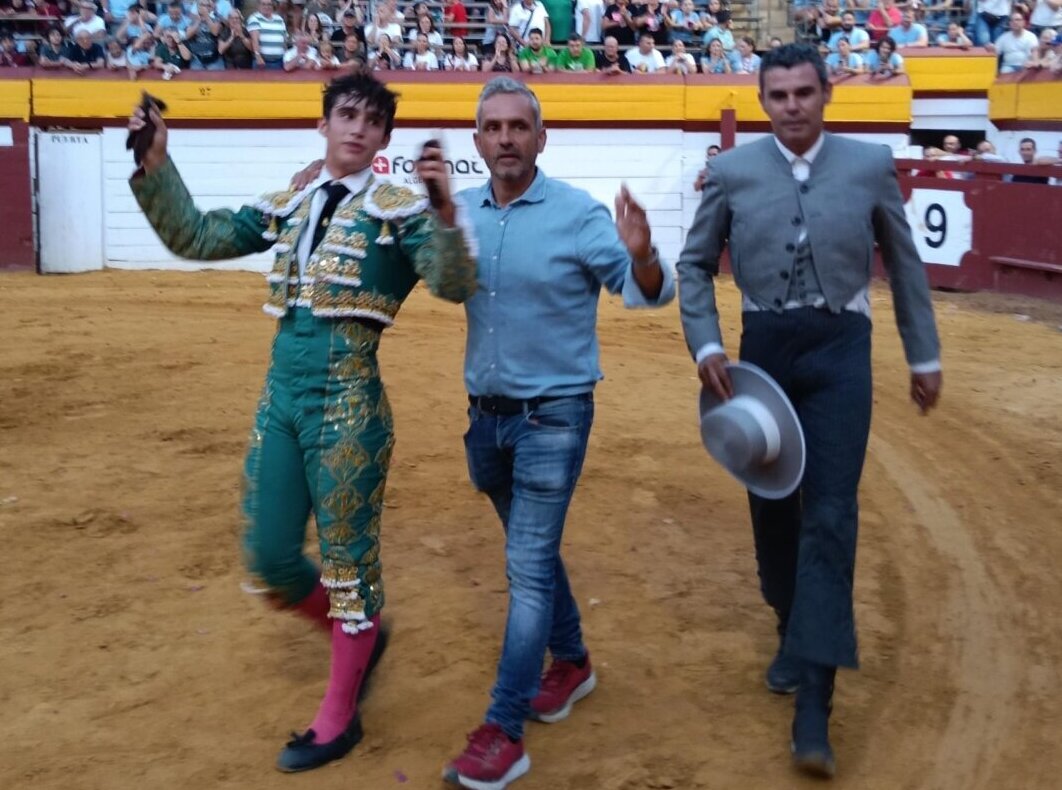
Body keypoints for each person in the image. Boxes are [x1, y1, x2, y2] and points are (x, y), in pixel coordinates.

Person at [126, 72, 478, 774]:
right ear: (324, 124)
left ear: (382, 139)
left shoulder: (398, 208)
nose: (357, 128)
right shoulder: (290, 200)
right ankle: (364, 637)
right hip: (281, 398)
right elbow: (199, 237)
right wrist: (155, 164)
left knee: (349, 567)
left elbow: (451, 283)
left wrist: (442, 211)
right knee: (271, 563)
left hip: (349, 401)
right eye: (346, 114)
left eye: (372, 121)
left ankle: (337, 716)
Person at [677, 43, 942, 780]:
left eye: (803, 93)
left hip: (839, 350)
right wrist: (705, 343)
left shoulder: (868, 163)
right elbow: (695, 265)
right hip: (762, 353)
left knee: (830, 514)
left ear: (825, 94)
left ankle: (814, 707)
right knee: (771, 508)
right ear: (764, 102)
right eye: (778, 95)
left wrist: (923, 354)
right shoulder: (732, 172)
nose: (791, 106)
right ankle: (792, 627)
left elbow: (906, 261)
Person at [441, 76, 674, 790]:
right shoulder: (464, 216)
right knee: (530, 554)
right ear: (478, 140)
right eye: (493, 127)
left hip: (555, 416)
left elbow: (647, 293)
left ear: (542, 138)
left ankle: (503, 729)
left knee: (527, 567)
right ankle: (570, 662)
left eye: (519, 126)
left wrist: (640, 253)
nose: (506, 137)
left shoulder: (578, 214)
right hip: (486, 419)